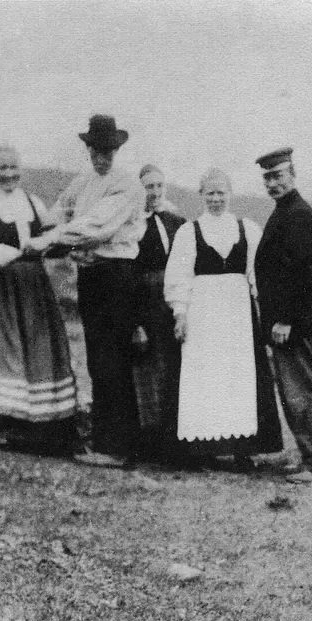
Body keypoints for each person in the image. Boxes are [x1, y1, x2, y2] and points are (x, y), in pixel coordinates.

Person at [36, 115, 147, 467]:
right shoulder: (82, 182)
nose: (102, 157)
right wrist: (43, 229)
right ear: (88, 149)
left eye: (109, 151)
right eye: (96, 150)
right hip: (91, 276)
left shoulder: (127, 185)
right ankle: (105, 441)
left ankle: (118, 447)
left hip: (117, 275)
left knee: (114, 357)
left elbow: (96, 227)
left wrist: (49, 240)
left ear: (117, 150)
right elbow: (59, 213)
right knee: (99, 359)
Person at [164, 169, 283, 466]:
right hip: (203, 313)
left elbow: (258, 275)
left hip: (237, 316)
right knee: (203, 377)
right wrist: (180, 313)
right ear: (201, 195)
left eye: (221, 193)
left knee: (236, 376)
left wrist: (265, 312)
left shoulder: (248, 229)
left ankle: (242, 449)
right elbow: (179, 276)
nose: (216, 199)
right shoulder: (188, 232)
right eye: (210, 193)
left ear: (230, 194)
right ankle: (201, 450)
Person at [0, 144, 78, 455]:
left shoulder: (33, 202)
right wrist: (15, 253)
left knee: (40, 347)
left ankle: (42, 425)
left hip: (33, 287)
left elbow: (51, 239)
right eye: (2, 168)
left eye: (14, 167)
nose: (9, 174)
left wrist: (60, 237)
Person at [253, 148, 312, 484]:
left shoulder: (298, 214)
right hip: (286, 324)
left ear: (293, 173)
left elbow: (299, 272)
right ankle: (309, 456)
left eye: (278, 176)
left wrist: (285, 318)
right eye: (268, 178)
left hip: (295, 324)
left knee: (303, 391)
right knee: (293, 393)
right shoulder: (285, 211)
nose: (273, 183)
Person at [132, 164, 187, 462]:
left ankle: (176, 443)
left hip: (172, 303)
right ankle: (150, 445)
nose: (154, 192)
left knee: (174, 371)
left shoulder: (176, 220)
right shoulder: (132, 222)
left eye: (158, 186)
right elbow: (128, 273)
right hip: (145, 305)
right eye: (148, 186)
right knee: (147, 372)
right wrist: (135, 321)